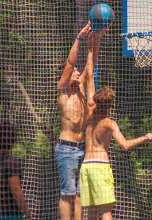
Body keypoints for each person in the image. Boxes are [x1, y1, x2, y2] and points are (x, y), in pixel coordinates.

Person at [80, 31, 152, 220]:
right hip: (100, 166)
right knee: (106, 212)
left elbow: (89, 77)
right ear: (111, 104)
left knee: (90, 213)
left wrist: (90, 50)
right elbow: (125, 145)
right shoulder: (109, 123)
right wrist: (146, 137)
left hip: (86, 166)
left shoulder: (90, 111)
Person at [55, 21, 106, 220]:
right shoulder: (64, 90)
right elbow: (70, 64)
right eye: (74, 72)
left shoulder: (80, 88)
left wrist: (97, 40)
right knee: (67, 194)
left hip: (81, 148)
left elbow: (91, 63)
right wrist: (79, 38)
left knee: (78, 193)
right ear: (66, 77)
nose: (77, 72)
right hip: (66, 148)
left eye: (78, 71)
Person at [0, 121, 32, 220]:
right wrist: (27, 214)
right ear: (13, 140)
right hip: (9, 214)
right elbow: (15, 189)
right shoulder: (12, 162)